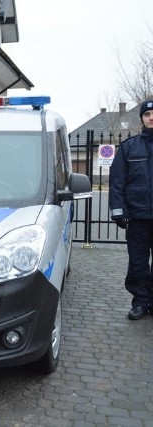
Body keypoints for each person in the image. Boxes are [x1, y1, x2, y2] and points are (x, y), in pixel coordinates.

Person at [109, 99, 153, 320]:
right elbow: (117, 182)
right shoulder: (129, 147)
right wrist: (118, 210)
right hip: (138, 218)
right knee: (138, 263)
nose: (151, 117)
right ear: (142, 118)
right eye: (147, 114)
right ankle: (140, 303)